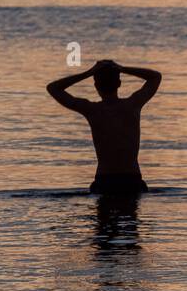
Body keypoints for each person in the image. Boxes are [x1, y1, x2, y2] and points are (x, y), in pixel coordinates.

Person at [46, 59, 162, 194]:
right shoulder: (133, 105)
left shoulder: (92, 110)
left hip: (105, 180)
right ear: (119, 83)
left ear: (96, 86)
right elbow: (155, 77)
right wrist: (122, 68)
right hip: (131, 179)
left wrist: (88, 73)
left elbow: (53, 88)